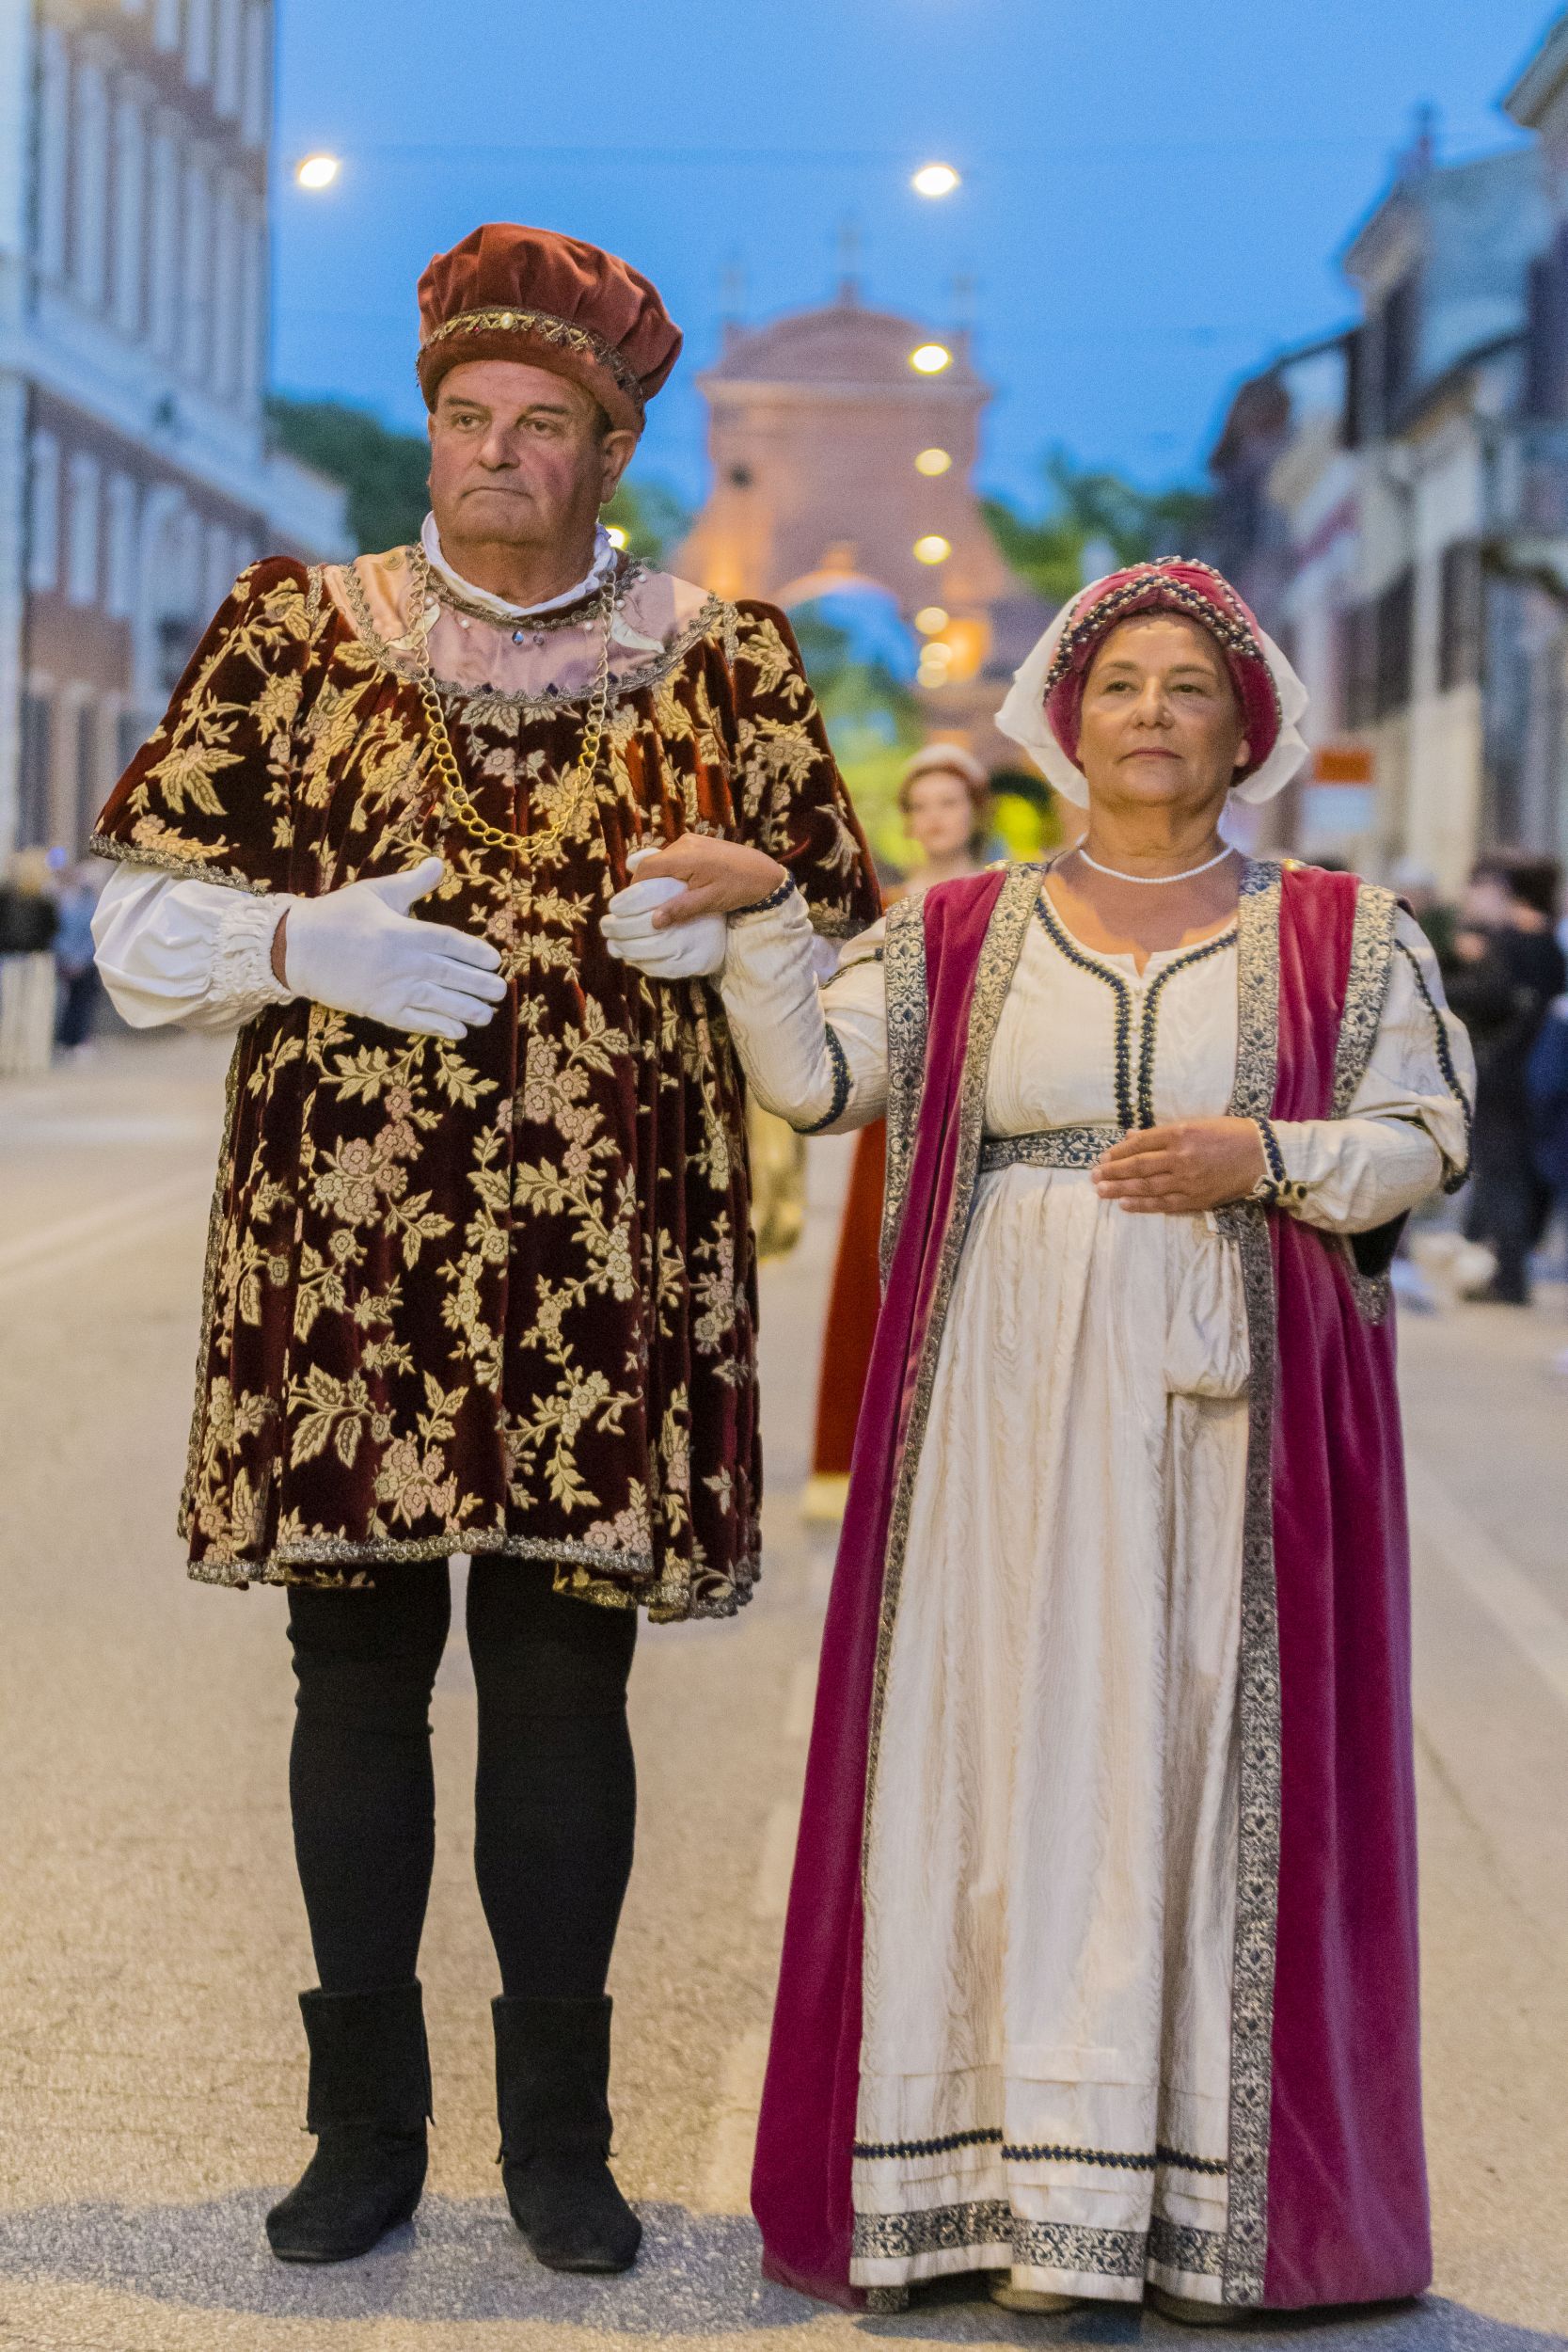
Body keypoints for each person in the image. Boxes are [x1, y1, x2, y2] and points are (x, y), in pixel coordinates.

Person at [90, 222, 878, 2274]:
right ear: (430, 425)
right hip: (345, 1264)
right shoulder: (296, 631)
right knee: (347, 1677)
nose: (494, 454)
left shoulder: (727, 656)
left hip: (607, 1256)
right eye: (465, 419)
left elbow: (837, 965)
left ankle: (559, 2141)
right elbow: (131, 924)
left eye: (543, 426)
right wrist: (298, 935)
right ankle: (362, 2125)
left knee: (559, 1684)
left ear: (612, 446)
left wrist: (743, 912)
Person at [607, 561, 1474, 2320]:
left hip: (1228, 1417)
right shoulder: (954, 928)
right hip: (998, 1403)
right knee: (996, 1747)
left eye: (1188, 689)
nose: (1151, 713)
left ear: (1247, 729)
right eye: (1120, 684)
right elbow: (814, 1082)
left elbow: (1419, 1136)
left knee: (1187, 1751)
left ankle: (1182, 2201)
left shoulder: (1344, 932)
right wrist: (761, 924)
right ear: (1062, 722)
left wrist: (1271, 1158)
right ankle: (989, 2195)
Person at [805, 743, 992, 1521]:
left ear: (973, 813)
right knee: (876, 1281)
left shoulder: (1007, 898)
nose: (933, 818)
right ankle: (862, 1466)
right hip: (895, 1117)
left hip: (983, 1114)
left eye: (947, 803)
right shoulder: (887, 906)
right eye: (921, 806)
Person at [1447, 852, 1565, 1305]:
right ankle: (1509, 1268)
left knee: (1502, 1173)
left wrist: (1447, 983)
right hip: (1541, 1070)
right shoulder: (1551, 942)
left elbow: (1493, 996)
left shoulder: (1510, 940)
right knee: (1521, 1172)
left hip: (1504, 1069)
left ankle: (1509, 1277)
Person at [53, 860, 104, 1052]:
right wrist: (68, 959)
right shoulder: (62, 902)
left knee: (81, 1003)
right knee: (67, 1004)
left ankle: (77, 1039)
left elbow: (92, 934)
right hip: (68, 961)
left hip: (82, 962)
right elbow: (57, 933)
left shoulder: (88, 903)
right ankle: (66, 1039)